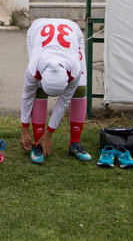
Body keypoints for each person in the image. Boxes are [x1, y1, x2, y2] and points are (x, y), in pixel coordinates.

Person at [18, 18, 94, 165]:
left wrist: (49, 135)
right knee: (38, 90)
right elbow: (27, 96)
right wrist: (24, 129)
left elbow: (62, 103)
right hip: (37, 30)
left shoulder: (74, 71)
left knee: (80, 89)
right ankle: (37, 143)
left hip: (72, 31)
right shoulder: (34, 68)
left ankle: (75, 143)